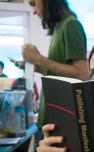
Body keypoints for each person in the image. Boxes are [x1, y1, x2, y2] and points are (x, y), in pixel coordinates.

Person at [22, 0, 89, 128]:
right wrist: (36, 65)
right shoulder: (60, 26)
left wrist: (40, 59)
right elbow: (58, 74)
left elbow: (82, 73)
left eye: (33, 3)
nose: (34, 11)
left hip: (59, 119)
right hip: (50, 116)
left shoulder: (71, 25)